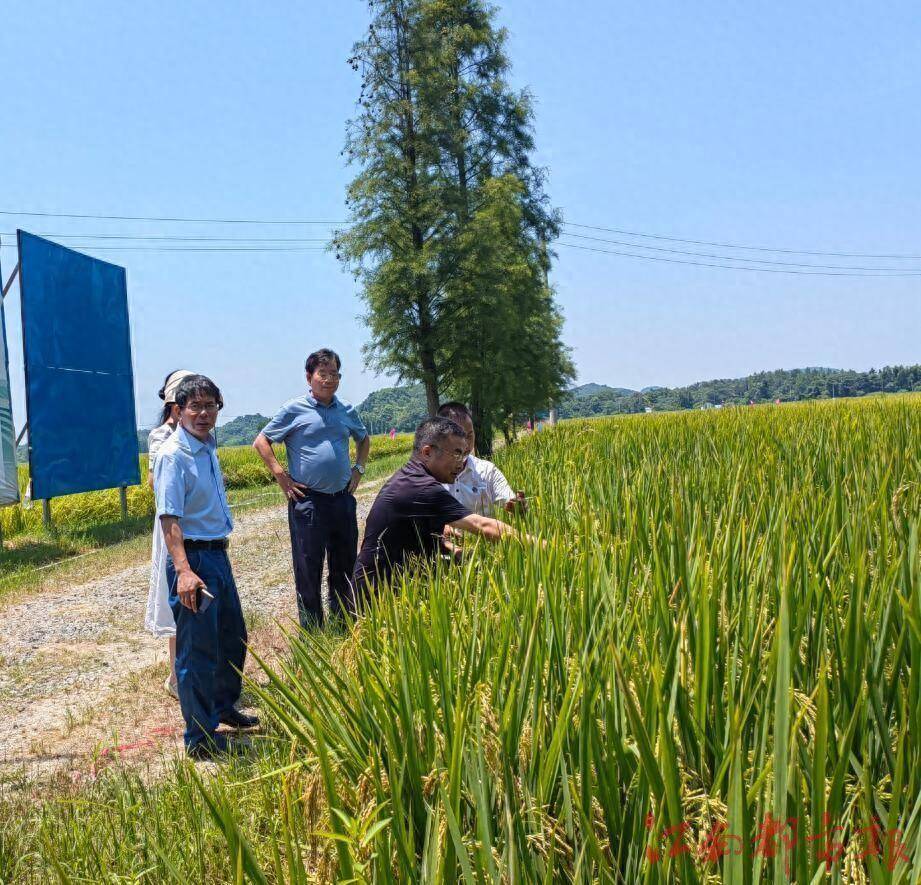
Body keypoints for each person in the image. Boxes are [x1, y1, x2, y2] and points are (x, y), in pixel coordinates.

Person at [155, 374, 257, 759]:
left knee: (232, 635)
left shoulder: (207, 446)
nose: (203, 413)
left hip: (217, 554)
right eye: (194, 407)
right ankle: (199, 738)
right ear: (178, 411)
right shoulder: (173, 455)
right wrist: (183, 570)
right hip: (193, 559)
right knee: (197, 649)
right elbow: (169, 518)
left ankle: (222, 706)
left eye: (210, 406)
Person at [351, 417, 537, 605]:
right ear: (427, 452)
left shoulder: (409, 477)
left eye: (465, 455)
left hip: (397, 589)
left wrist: (456, 551)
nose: (461, 463)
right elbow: (483, 526)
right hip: (377, 602)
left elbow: (416, 536)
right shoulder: (421, 488)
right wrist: (544, 547)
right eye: (456, 454)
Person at [253, 348, 370, 629]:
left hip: (342, 499)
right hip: (309, 501)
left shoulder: (347, 410)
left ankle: (343, 623)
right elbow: (261, 441)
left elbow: (363, 439)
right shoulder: (294, 409)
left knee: (344, 563)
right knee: (308, 567)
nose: (328, 380)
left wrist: (359, 469)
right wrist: (281, 474)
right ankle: (313, 631)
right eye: (323, 374)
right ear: (309, 377)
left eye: (334, 374)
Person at [144, 369, 194, 700]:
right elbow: (155, 483)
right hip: (173, 524)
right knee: (176, 599)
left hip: (200, 523)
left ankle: (198, 669)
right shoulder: (160, 437)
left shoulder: (202, 434)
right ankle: (177, 676)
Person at [436, 402, 526, 516]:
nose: (466, 445)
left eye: (469, 435)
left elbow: (508, 498)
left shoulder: (487, 470)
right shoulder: (427, 476)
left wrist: (516, 506)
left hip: (485, 533)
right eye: (458, 437)